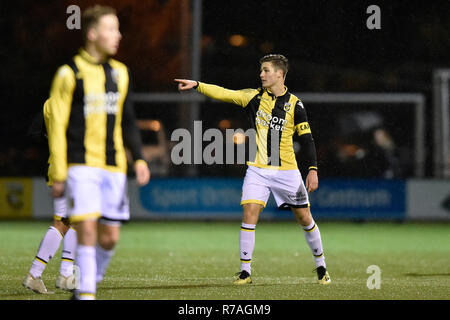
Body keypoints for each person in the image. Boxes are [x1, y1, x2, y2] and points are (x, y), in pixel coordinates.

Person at [175, 54, 330, 285]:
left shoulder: (296, 105)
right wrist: (198, 85)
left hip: (286, 171)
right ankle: (245, 271)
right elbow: (225, 93)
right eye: (261, 70)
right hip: (257, 169)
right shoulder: (253, 97)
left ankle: (321, 266)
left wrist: (313, 169)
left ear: (279, 74)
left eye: (266, 70)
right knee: (249, 213)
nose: (261, 74)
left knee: (305, 218)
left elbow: (307, 140)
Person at [46, 5, 150, 300]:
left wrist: (139, 157)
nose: (118, 35)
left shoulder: (121, 73)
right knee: (87, 230)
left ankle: (86, 284)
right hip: (81, 166)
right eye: (111, 29)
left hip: (114, 167)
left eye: (118, 29)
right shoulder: (69, 74)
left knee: (109, 237)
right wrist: (59, 172)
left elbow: (127, 119)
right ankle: (87, 293)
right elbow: (57, 126)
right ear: (92, 33)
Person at [22, 108, 78, 294]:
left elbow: (33, 133)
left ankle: (66, 275)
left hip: (54, 165)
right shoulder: (76, 103)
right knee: (62, 222)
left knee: (73, 221)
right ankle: (35, 274)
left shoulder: (50, 104)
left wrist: (52, 139)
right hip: (71, 167)